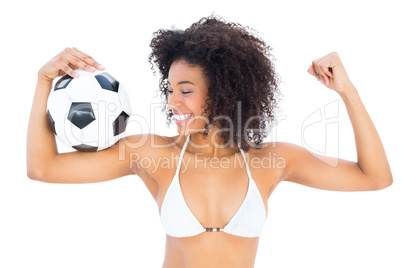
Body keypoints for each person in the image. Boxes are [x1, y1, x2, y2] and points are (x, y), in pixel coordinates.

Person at [27, 15, 393, 268]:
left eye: (185, 90)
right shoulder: (153, 154)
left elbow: (374, 178)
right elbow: (44, 168)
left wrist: (348, 91)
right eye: (170, 90)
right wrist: (44, 81)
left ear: (223, 90)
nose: (172, 102)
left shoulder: (272, 160)